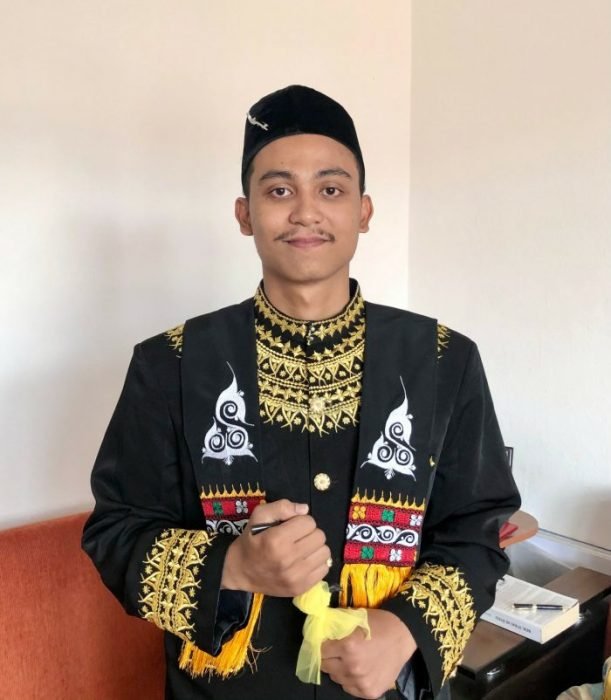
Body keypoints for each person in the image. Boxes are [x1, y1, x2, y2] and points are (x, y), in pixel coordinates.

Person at [82, 85, 520, 700]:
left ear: (364, 211)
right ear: (245, 214)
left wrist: (406, 630)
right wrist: (234, 566)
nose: (306, 212)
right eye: (280, 190)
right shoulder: (170, 365)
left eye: (331, 189)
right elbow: (115, 531)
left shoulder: (444, 360)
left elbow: (478, 529)